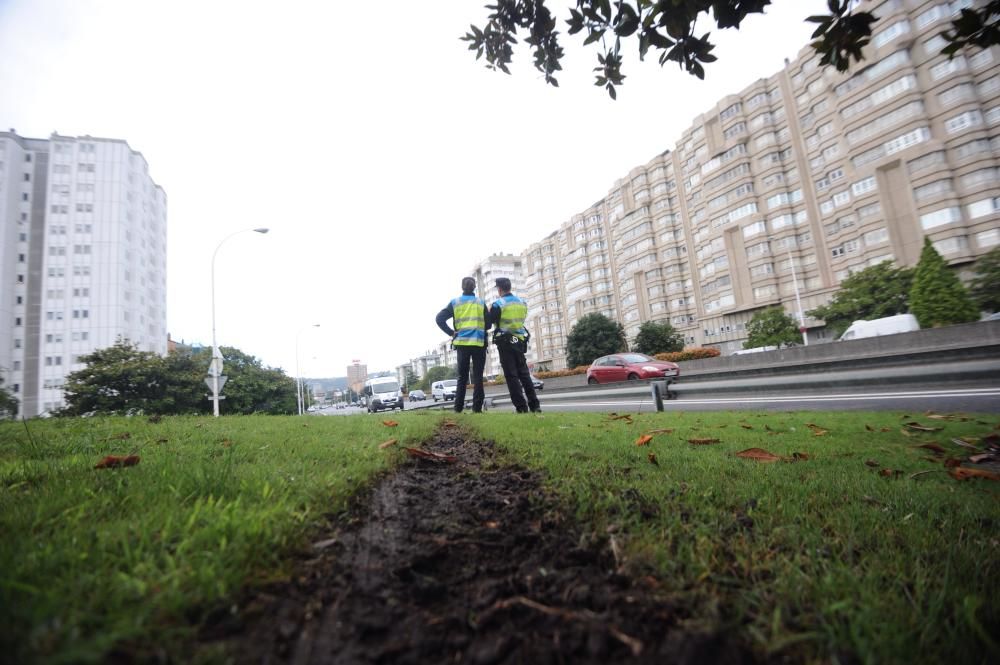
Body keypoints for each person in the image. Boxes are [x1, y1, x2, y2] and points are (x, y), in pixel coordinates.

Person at [435, 277, 489, 413]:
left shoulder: (455, 302)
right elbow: (488, 324)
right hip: (478, 344)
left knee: (462, 378)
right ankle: (477, 409)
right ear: (474, 287)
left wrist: (451, 333)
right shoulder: (481, 303)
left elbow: (439, 318)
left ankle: (458, 409)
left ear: (462, 287)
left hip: (462, 344)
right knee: (478, 377)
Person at [489, 277, 541, 413]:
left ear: (499, 289)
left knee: (512, 376)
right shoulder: (522, 303)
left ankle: (521, 408)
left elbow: (489, 322)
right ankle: (535, 405)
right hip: (519, 341)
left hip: (505, 343)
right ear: (509, 287)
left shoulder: (498, 304)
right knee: (524, 374)